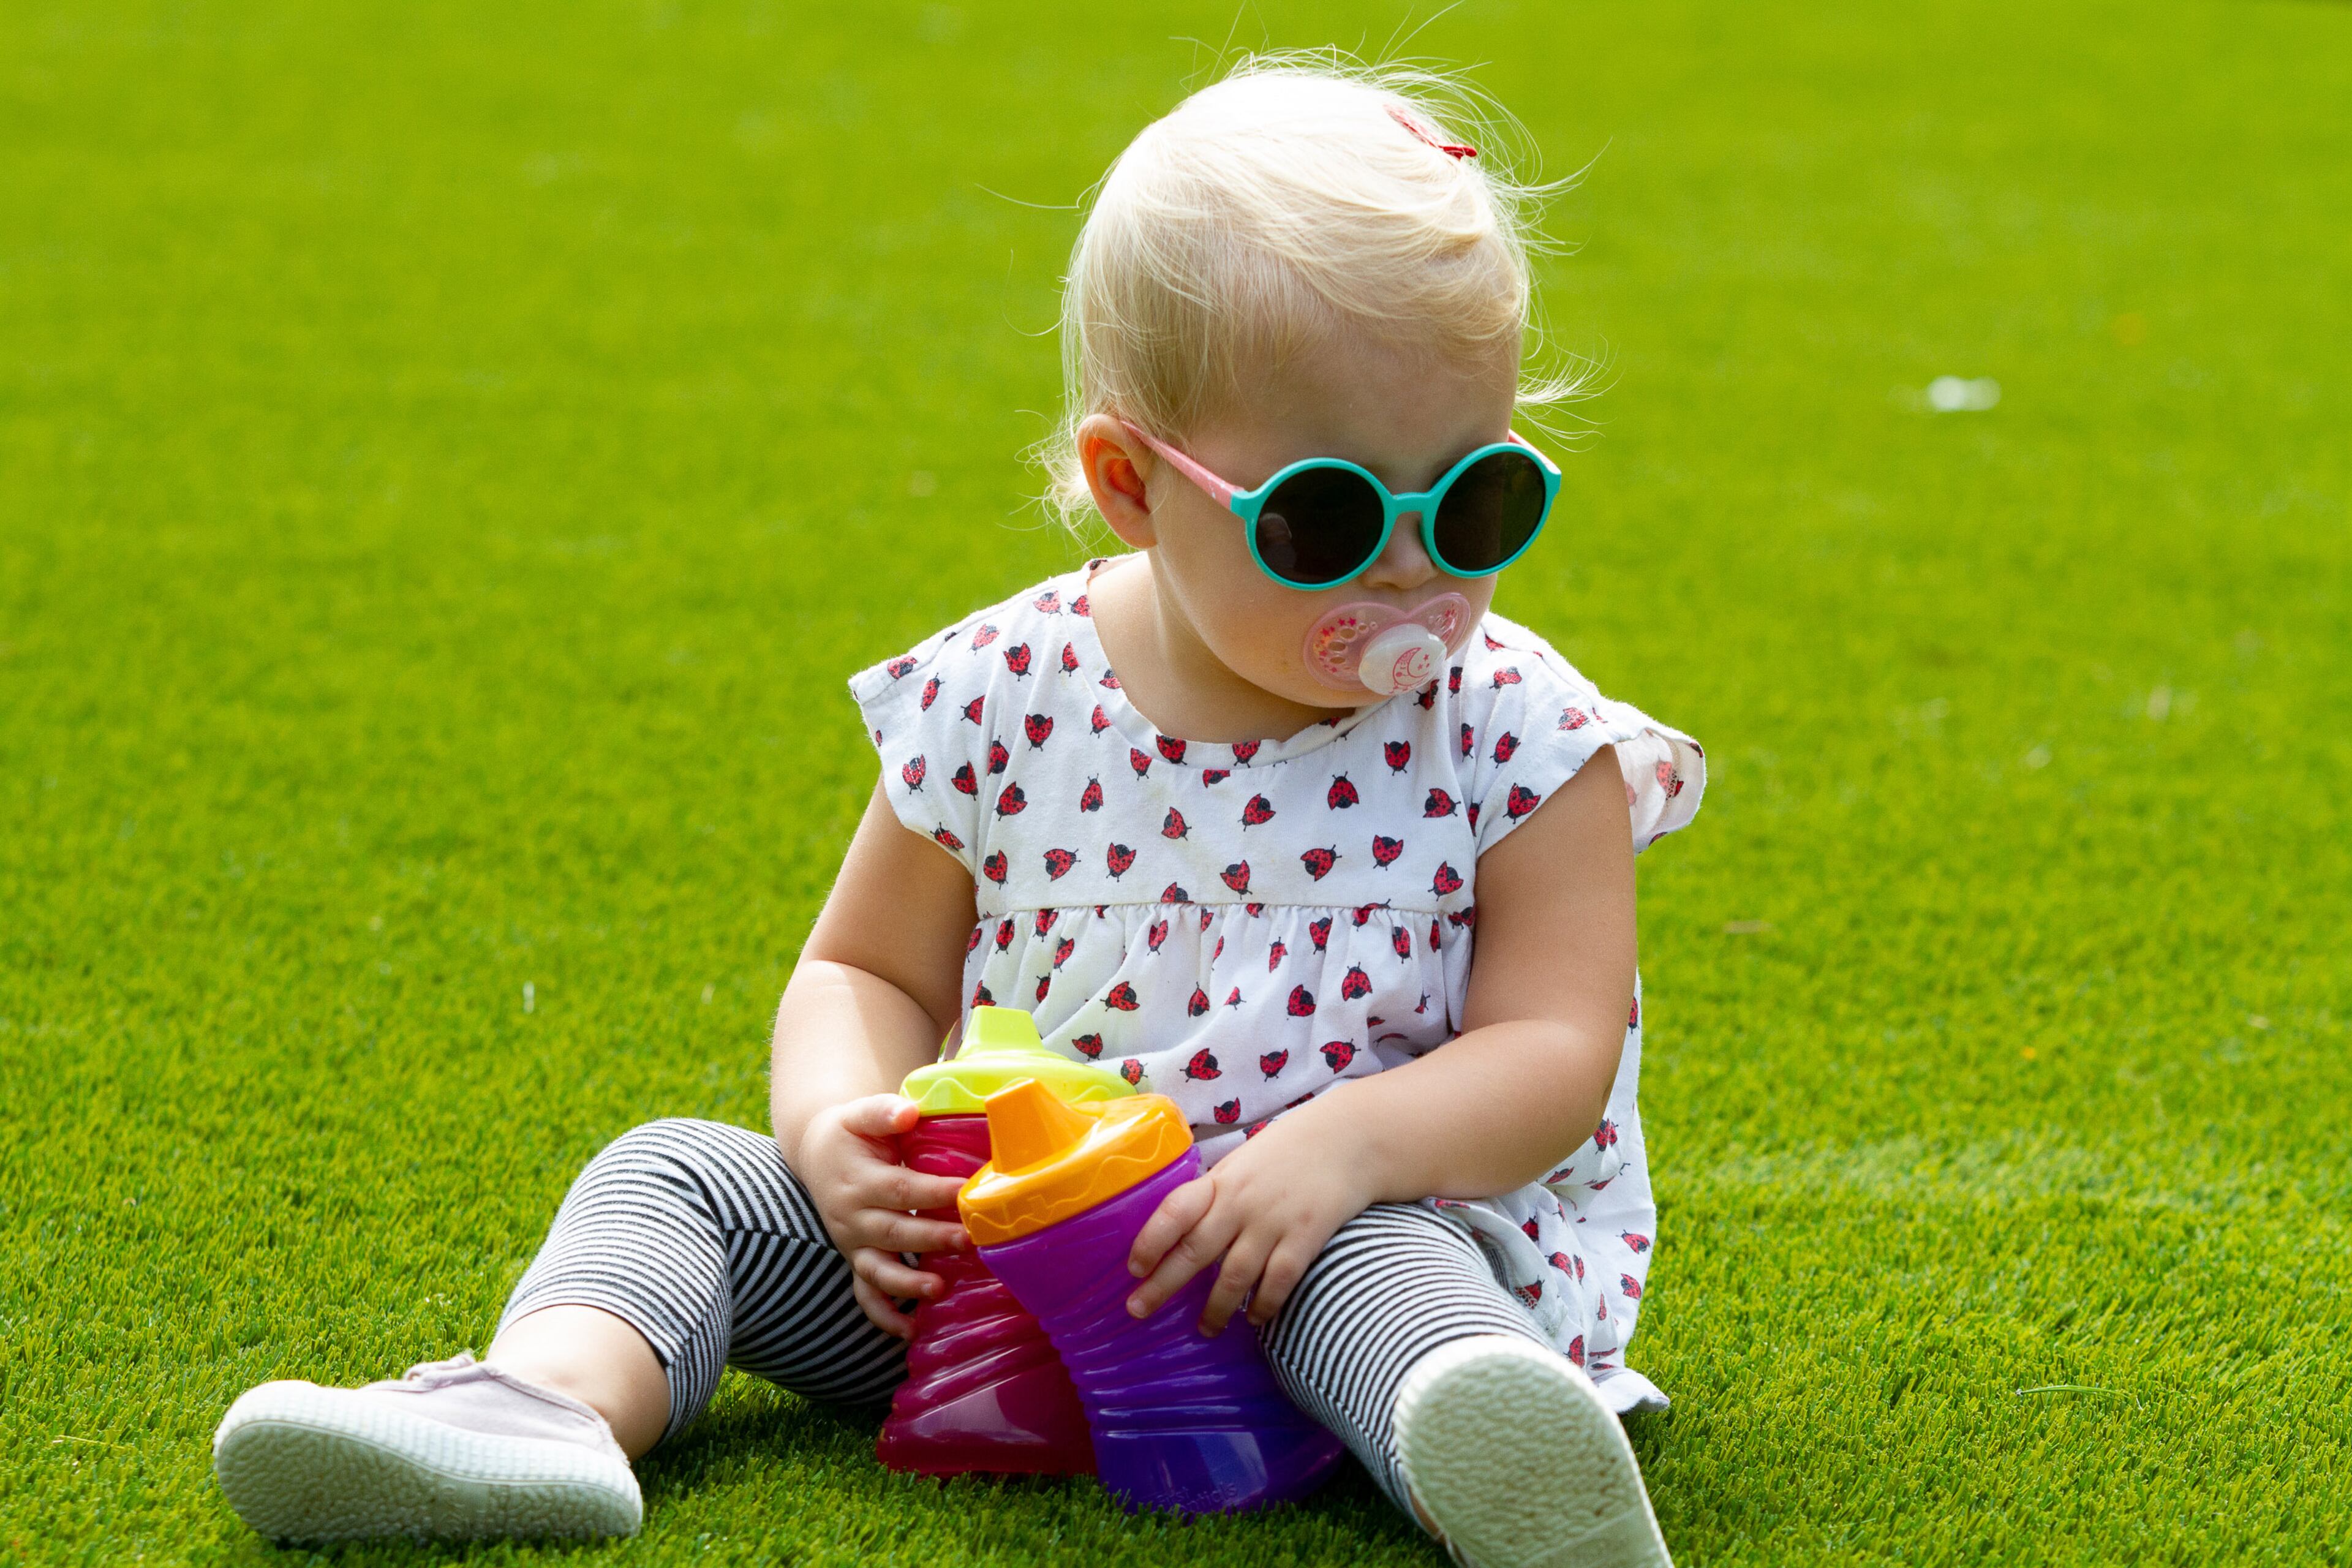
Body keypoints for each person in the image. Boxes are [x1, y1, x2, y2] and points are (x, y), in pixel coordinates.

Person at [213, 58, 1703, 1568]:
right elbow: (868, 971)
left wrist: (1348, 1148)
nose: (1412, 579)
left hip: (1306, 1265)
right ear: (1131, 484)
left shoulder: (1520, 730)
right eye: (1325, 518)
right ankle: (543, 1410)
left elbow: (1554, 1049)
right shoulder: (1002, 691)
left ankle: (1483, 1448)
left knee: (1394, 1270)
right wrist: (839, 1127)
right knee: (673, 1170)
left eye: (1477, 505)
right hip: (994, 1284)